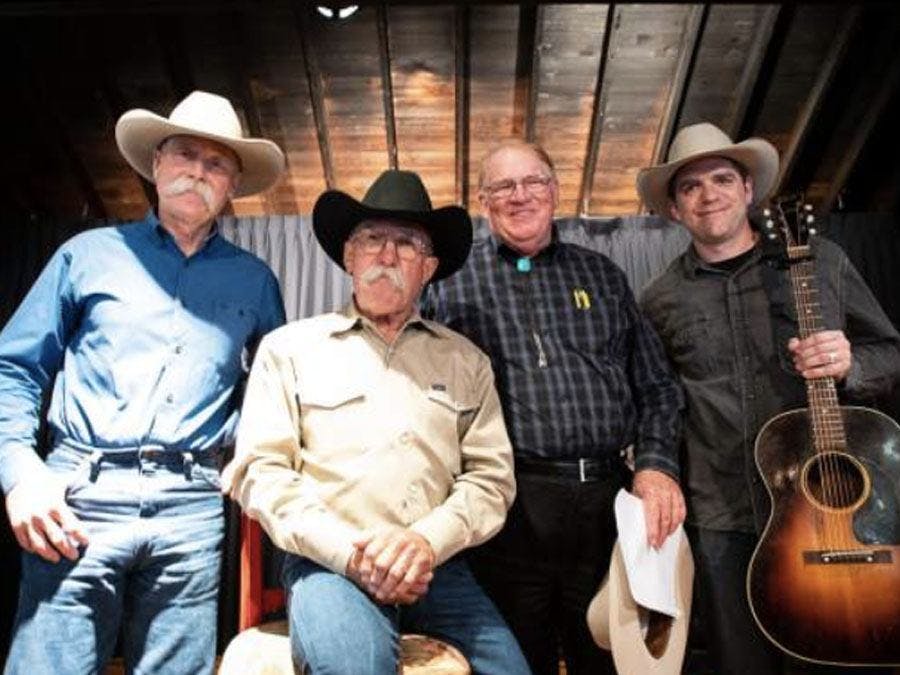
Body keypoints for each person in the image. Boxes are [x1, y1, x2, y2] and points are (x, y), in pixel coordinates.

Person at [0, 90, 287, 674]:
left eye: (216, 165)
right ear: (156, 164)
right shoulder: (86, 255)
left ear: (232, 187)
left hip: (192, 506)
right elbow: (13, 368)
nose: (197, 172)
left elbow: (279, 391)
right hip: (78, 494)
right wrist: (21, 474)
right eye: (185, 154)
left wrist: (253, 464)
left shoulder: (255, 281)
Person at [223, 169, 531, 674]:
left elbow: (492, 480)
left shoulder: (465, 360)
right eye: (371, 240)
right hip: (330, 564)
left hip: (435, 565)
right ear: (348, 256)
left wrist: (425, 542)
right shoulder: (289, 349)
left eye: (407, 245)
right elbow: (262, 472)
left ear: (428, 268)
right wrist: (352, 555)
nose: (387, 256)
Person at [637, 122, 900, 674]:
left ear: (748, 189)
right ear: (674, 209)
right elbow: (656, 400)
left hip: (833, 505)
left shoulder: (819, 263)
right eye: (690, 187)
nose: (709, 195)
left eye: (722, 179)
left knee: (838, 655)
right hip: (724, 514)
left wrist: (851, 363)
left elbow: (889, 352)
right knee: (741, 662)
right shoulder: (660, 299)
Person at [421, 139, 686, 675]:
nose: (520, 196)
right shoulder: (448, 283)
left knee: (608, 657)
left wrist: (656, 466)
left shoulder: (603, 275)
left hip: (606, 508)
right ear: (482, 199)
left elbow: (658, 385)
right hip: (505, 512)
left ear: (555, 190)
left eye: (533, 182)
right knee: (518, 660)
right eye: (503, 186)